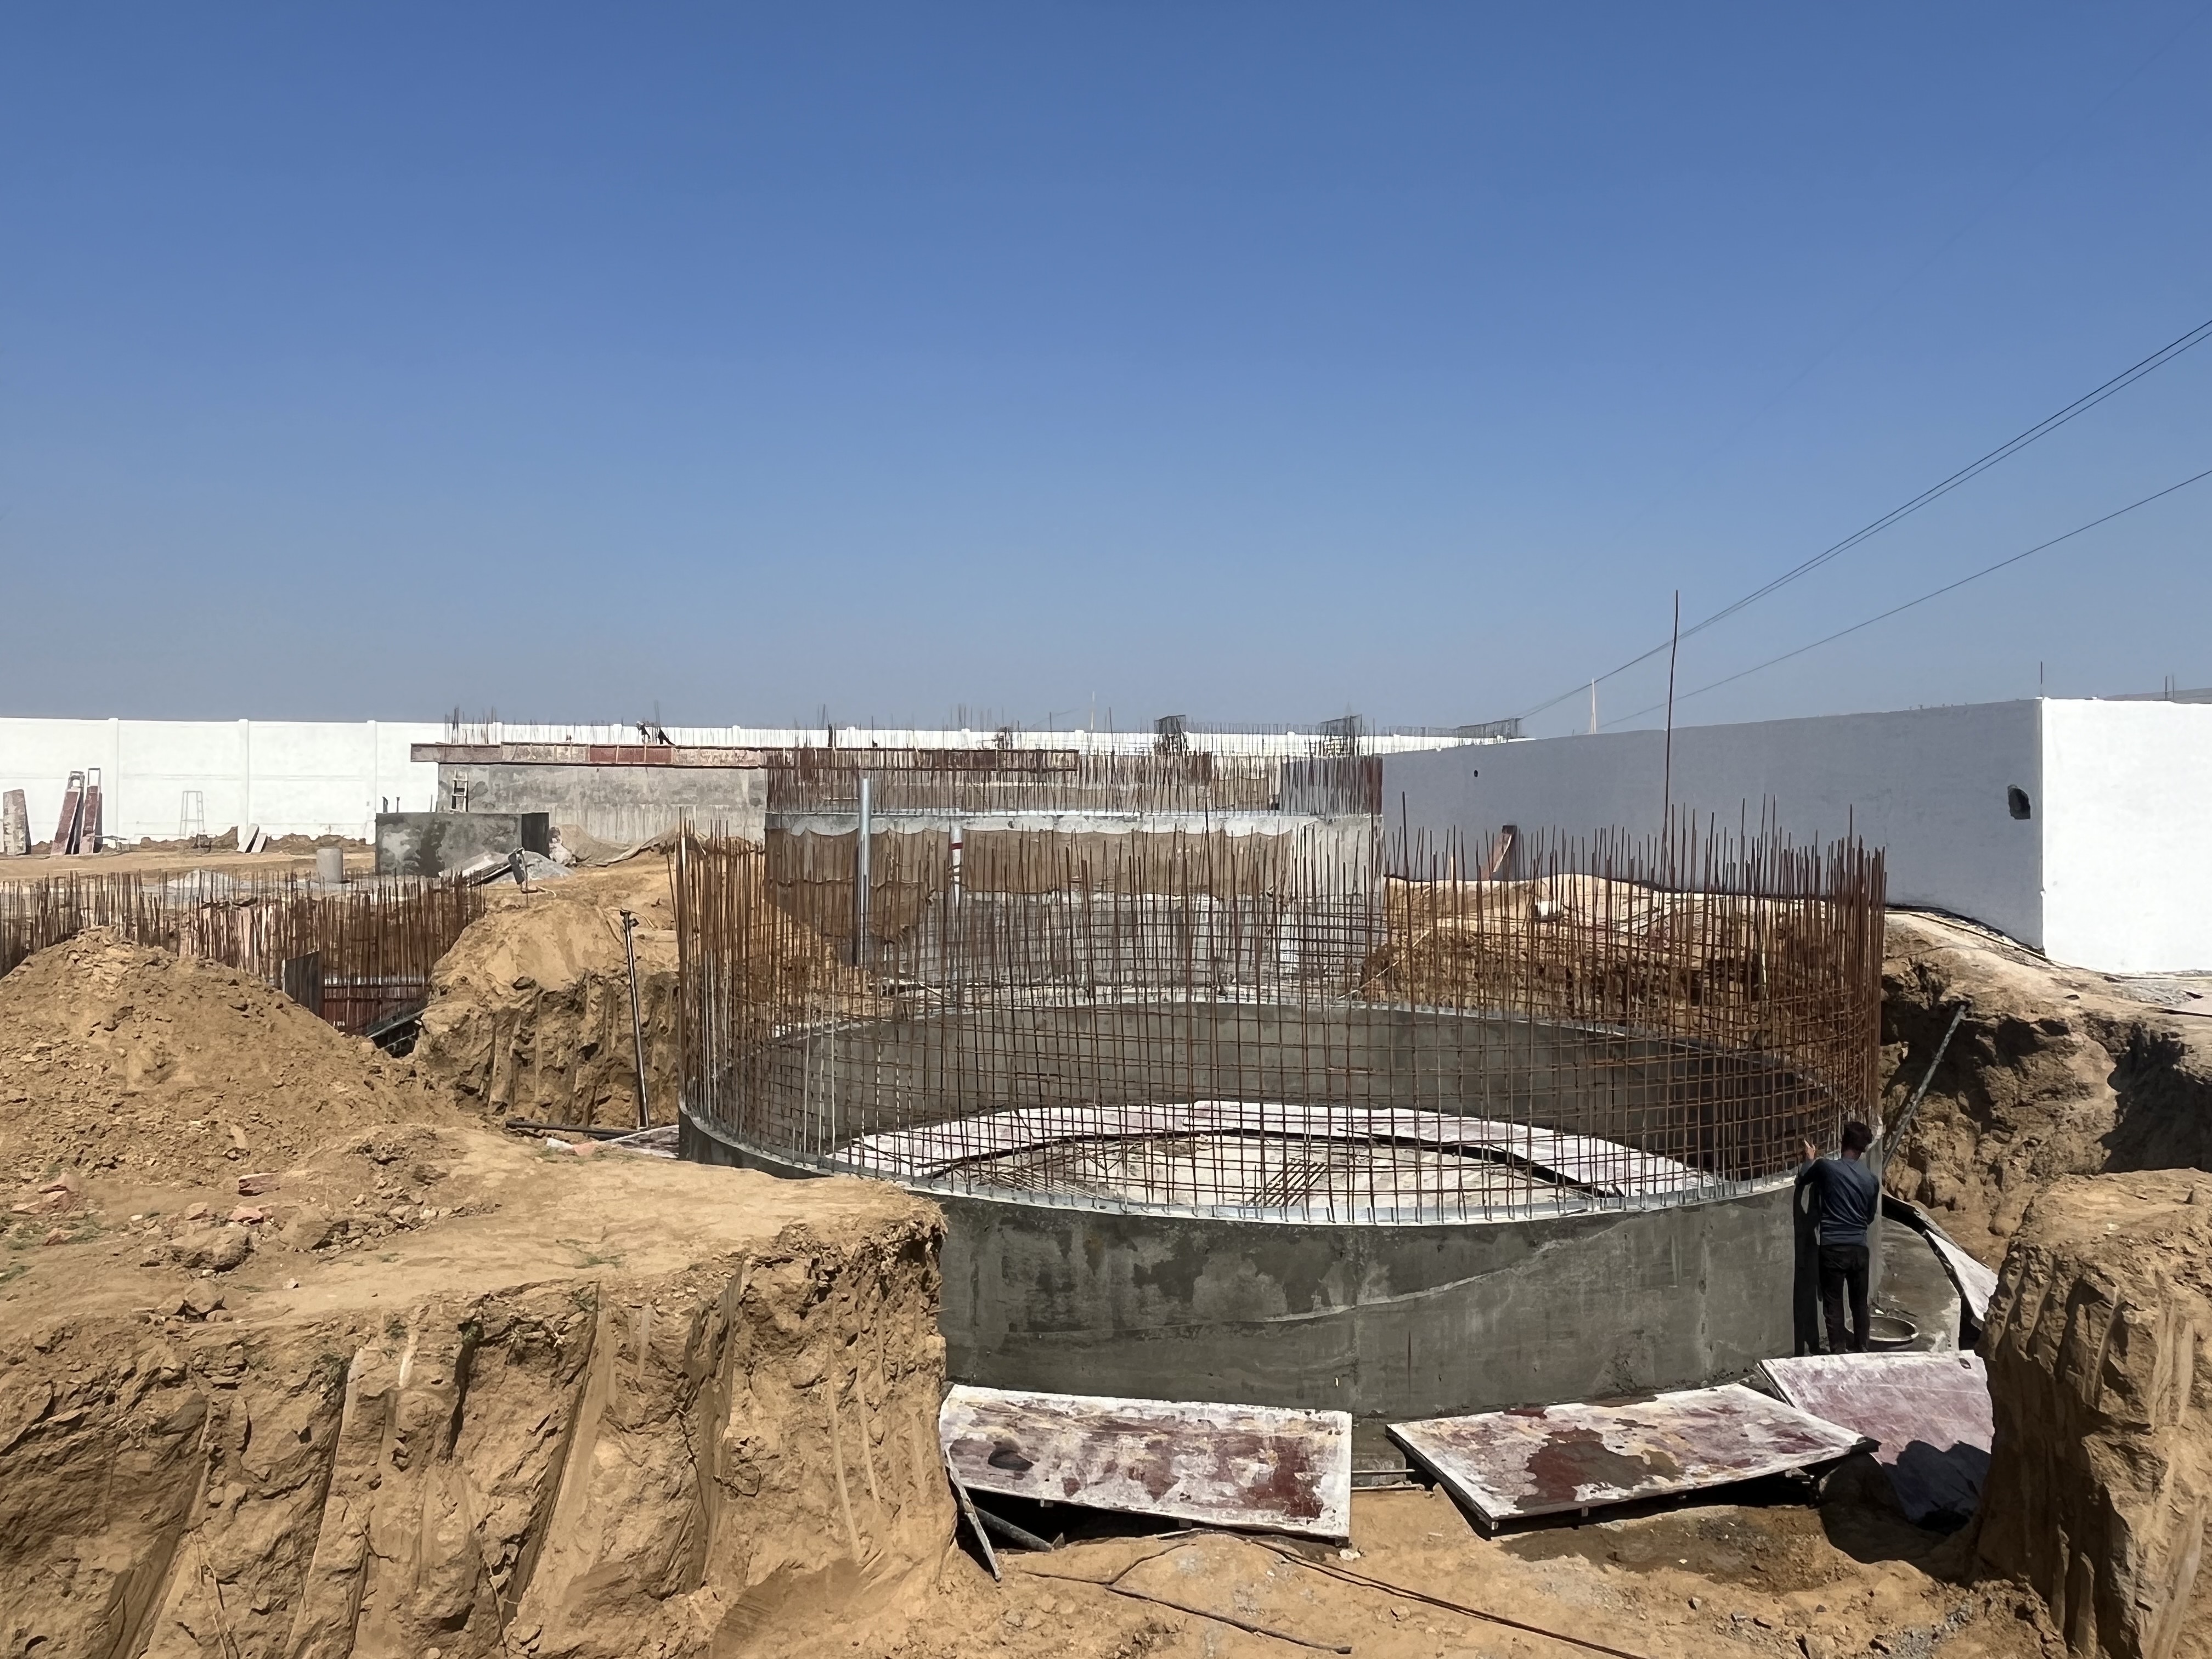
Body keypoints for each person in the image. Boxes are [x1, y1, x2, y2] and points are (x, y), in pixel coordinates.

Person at [1797, 1121, 1879, 1353]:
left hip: (1833, 1248)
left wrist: (1810, 1158)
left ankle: (1839, 1352)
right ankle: (1862, 1349)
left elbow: (1803, 1177)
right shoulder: (1871, 1180)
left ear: (1843, 1142)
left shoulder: (1827, 1168)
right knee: (1860, 1304)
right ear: (1863, 1149)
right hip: (1860, 1250)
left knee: (1833, 1304)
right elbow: (1869, 1217)